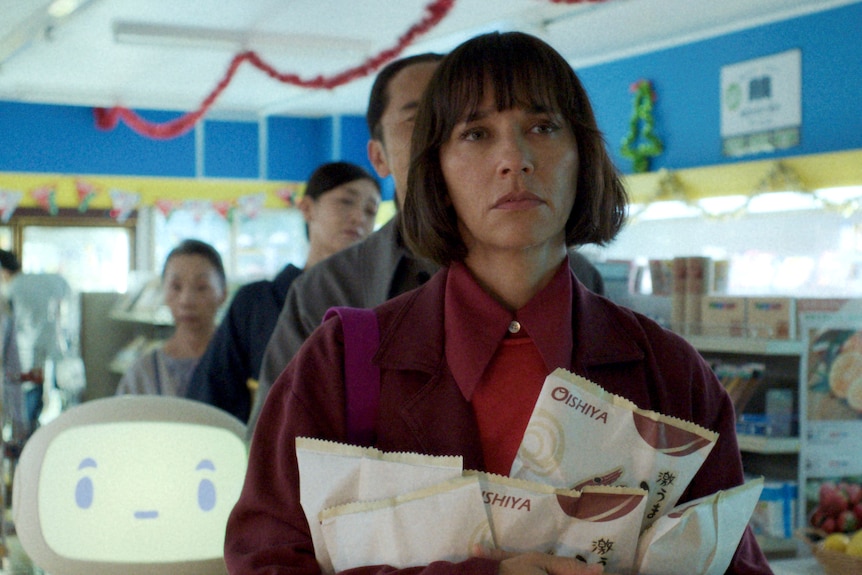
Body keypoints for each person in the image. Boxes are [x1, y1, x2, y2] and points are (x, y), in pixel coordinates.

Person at [225, 32, 773, 574]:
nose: (514, 158)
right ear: (434, 168)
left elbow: (731, 562)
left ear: (584, 154)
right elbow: (263, 560)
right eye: (476, 134)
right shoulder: (342, 360)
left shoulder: (670, 373)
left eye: (542, 127)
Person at [247, 51, 605, 433]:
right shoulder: (325, 292)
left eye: (466, 125)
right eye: (420, 120)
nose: (439, 138)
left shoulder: (579, 281)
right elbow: (278, 462)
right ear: (379, 157)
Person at [185, 162, 381, 422]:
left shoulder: (379, 306)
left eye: (370, 211)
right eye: (346, 202)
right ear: (307, 208)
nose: (359, 217)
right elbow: (213, 394)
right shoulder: (255, 302)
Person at [115, 239, 226, 397]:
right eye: (176, 287)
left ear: (223, 293)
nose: (187, 300)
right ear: (164, 293)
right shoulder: (143, 373)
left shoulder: (242, 365)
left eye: (201, 287)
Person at [0, 249, 71, 438]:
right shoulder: (44, 280)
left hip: (24, 352)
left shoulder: (12, 289)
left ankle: (26, 434)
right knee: (42, 392)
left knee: (26, 394)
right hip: (48, 348)